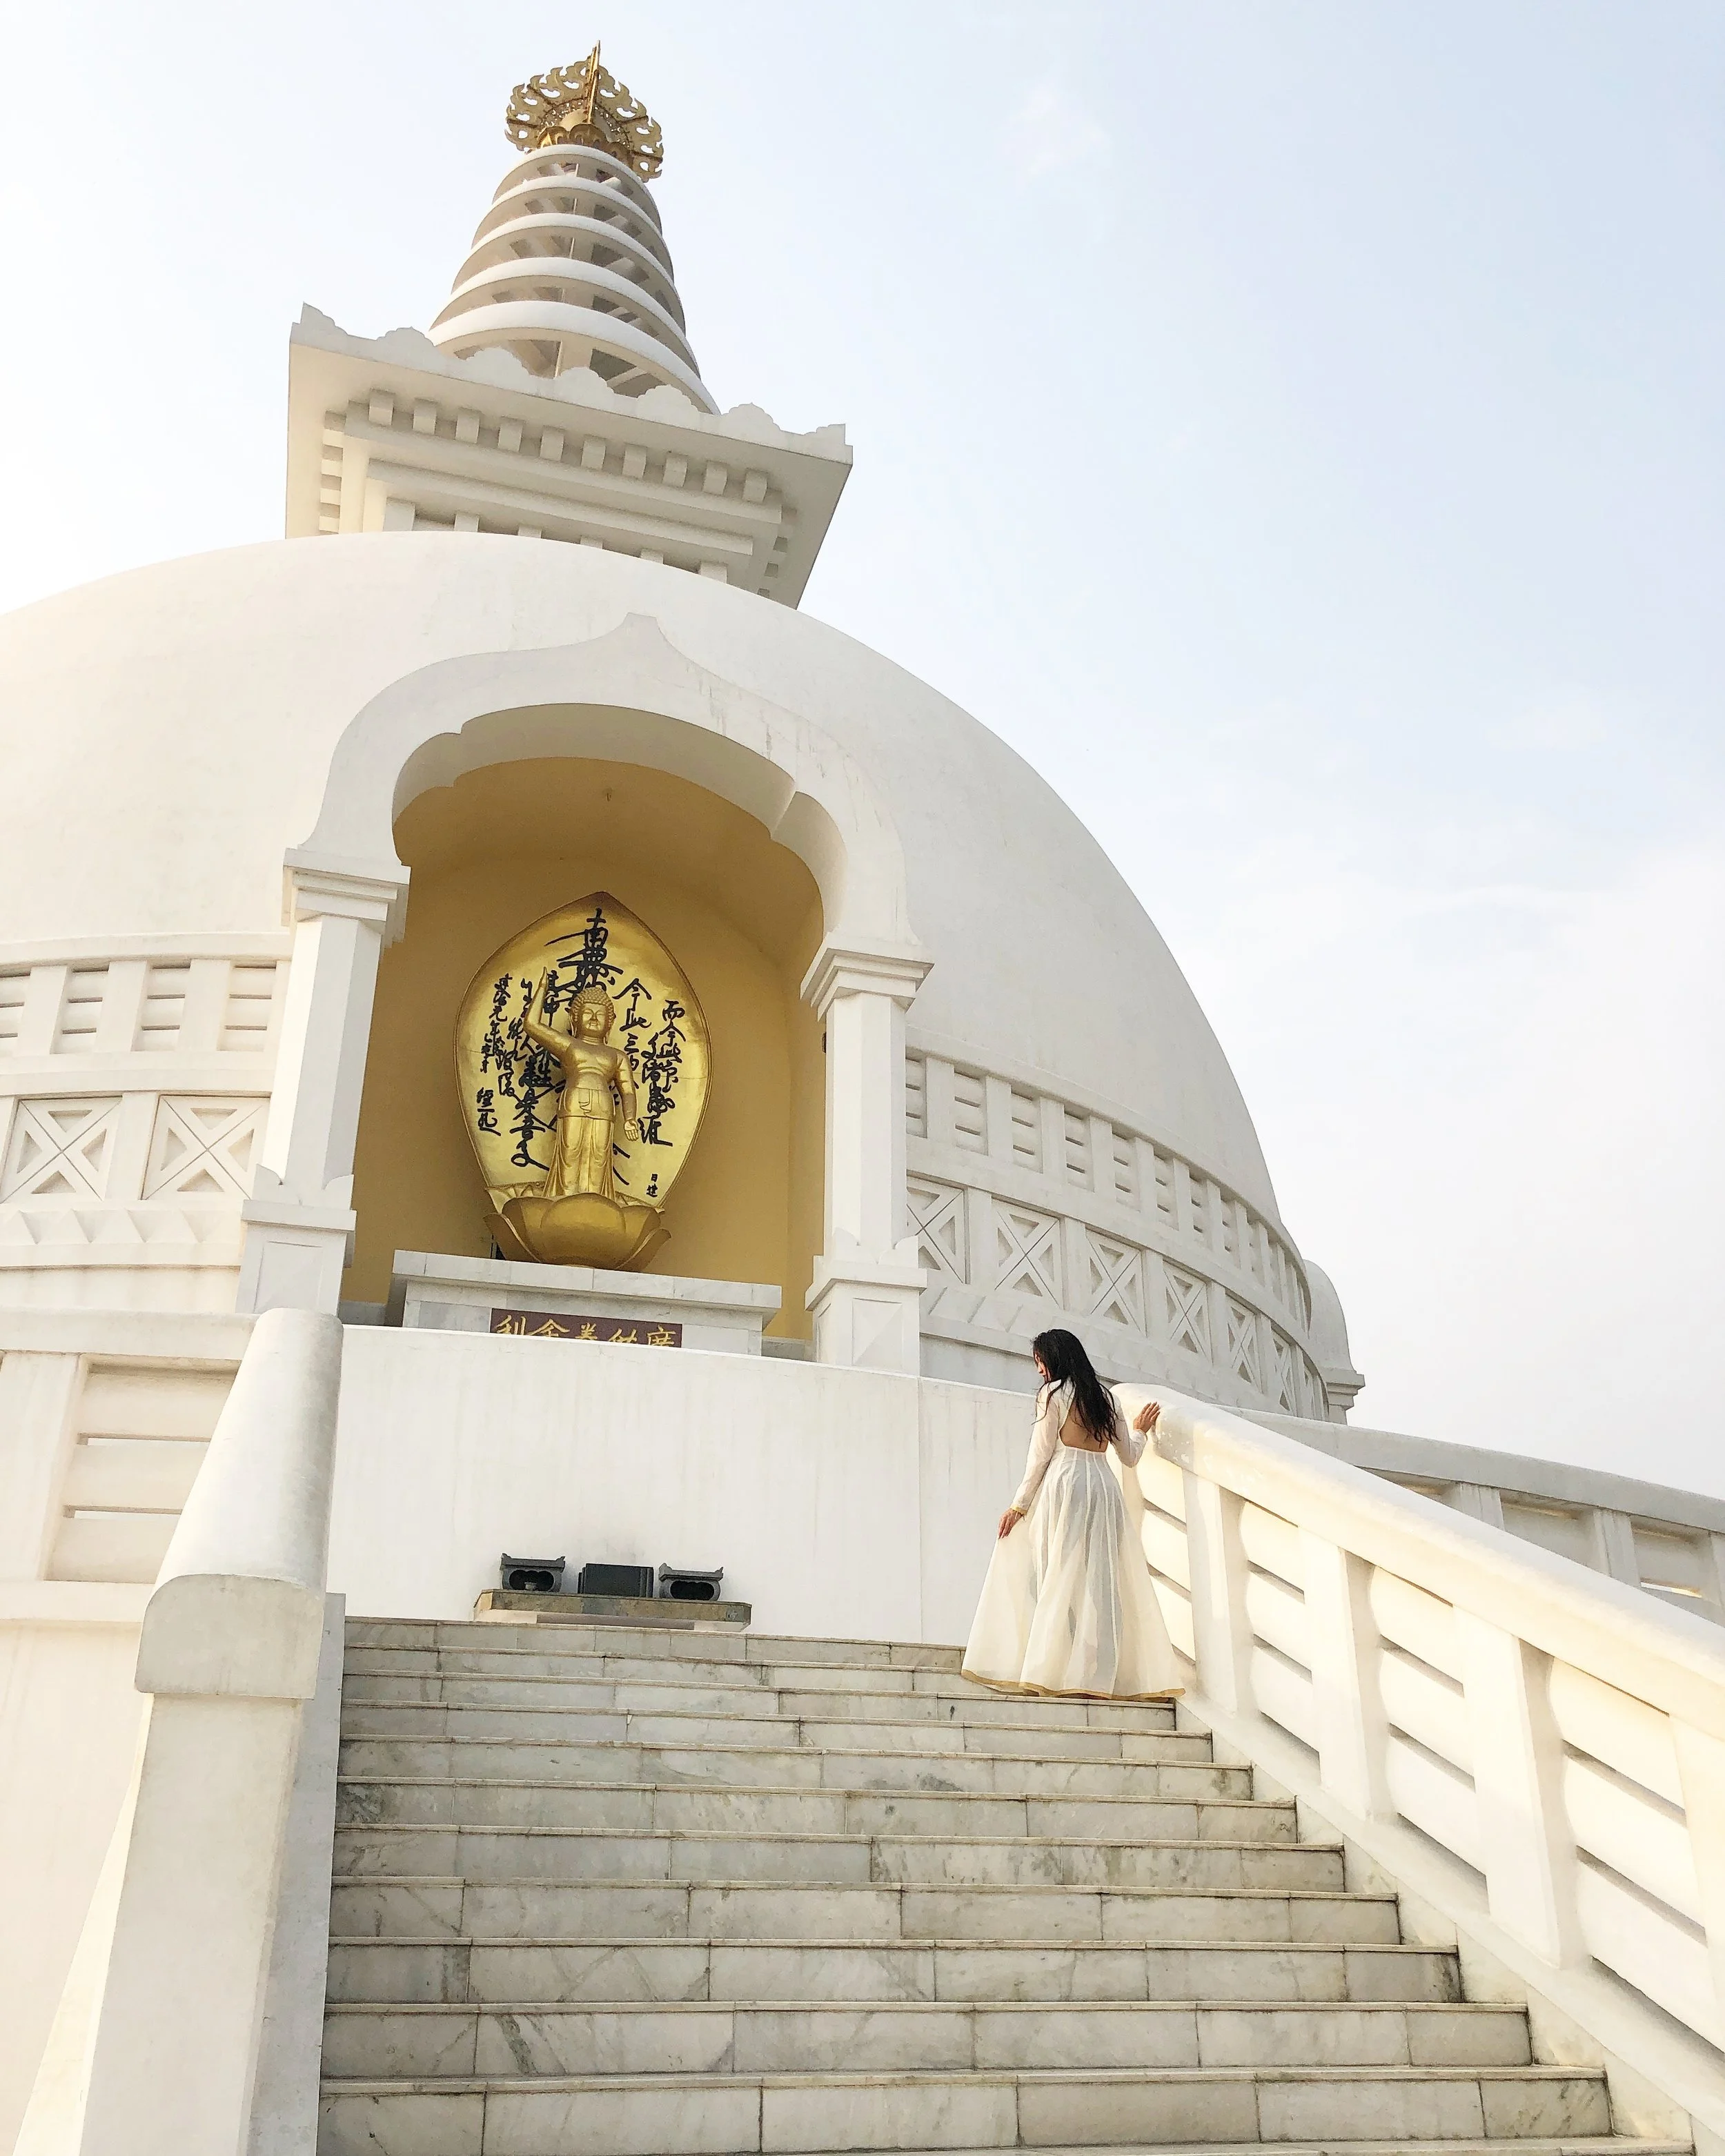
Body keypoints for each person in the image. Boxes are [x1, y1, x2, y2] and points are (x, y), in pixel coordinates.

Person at [962, 1327, 1181, 1700]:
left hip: (1066, 1486)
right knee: (1100, 1578)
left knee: (1055, 1573)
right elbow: (1129, 1456)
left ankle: (1049, 1670)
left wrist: (1018, 1506)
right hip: (1104, 1488)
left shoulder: (1052, 1394)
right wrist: (1141, 1431)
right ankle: (1096, 1675)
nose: (1039, 1370)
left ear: (1054, 1358)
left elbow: (1040, 1456)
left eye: (1040, 1361)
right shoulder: (1107, 1398)